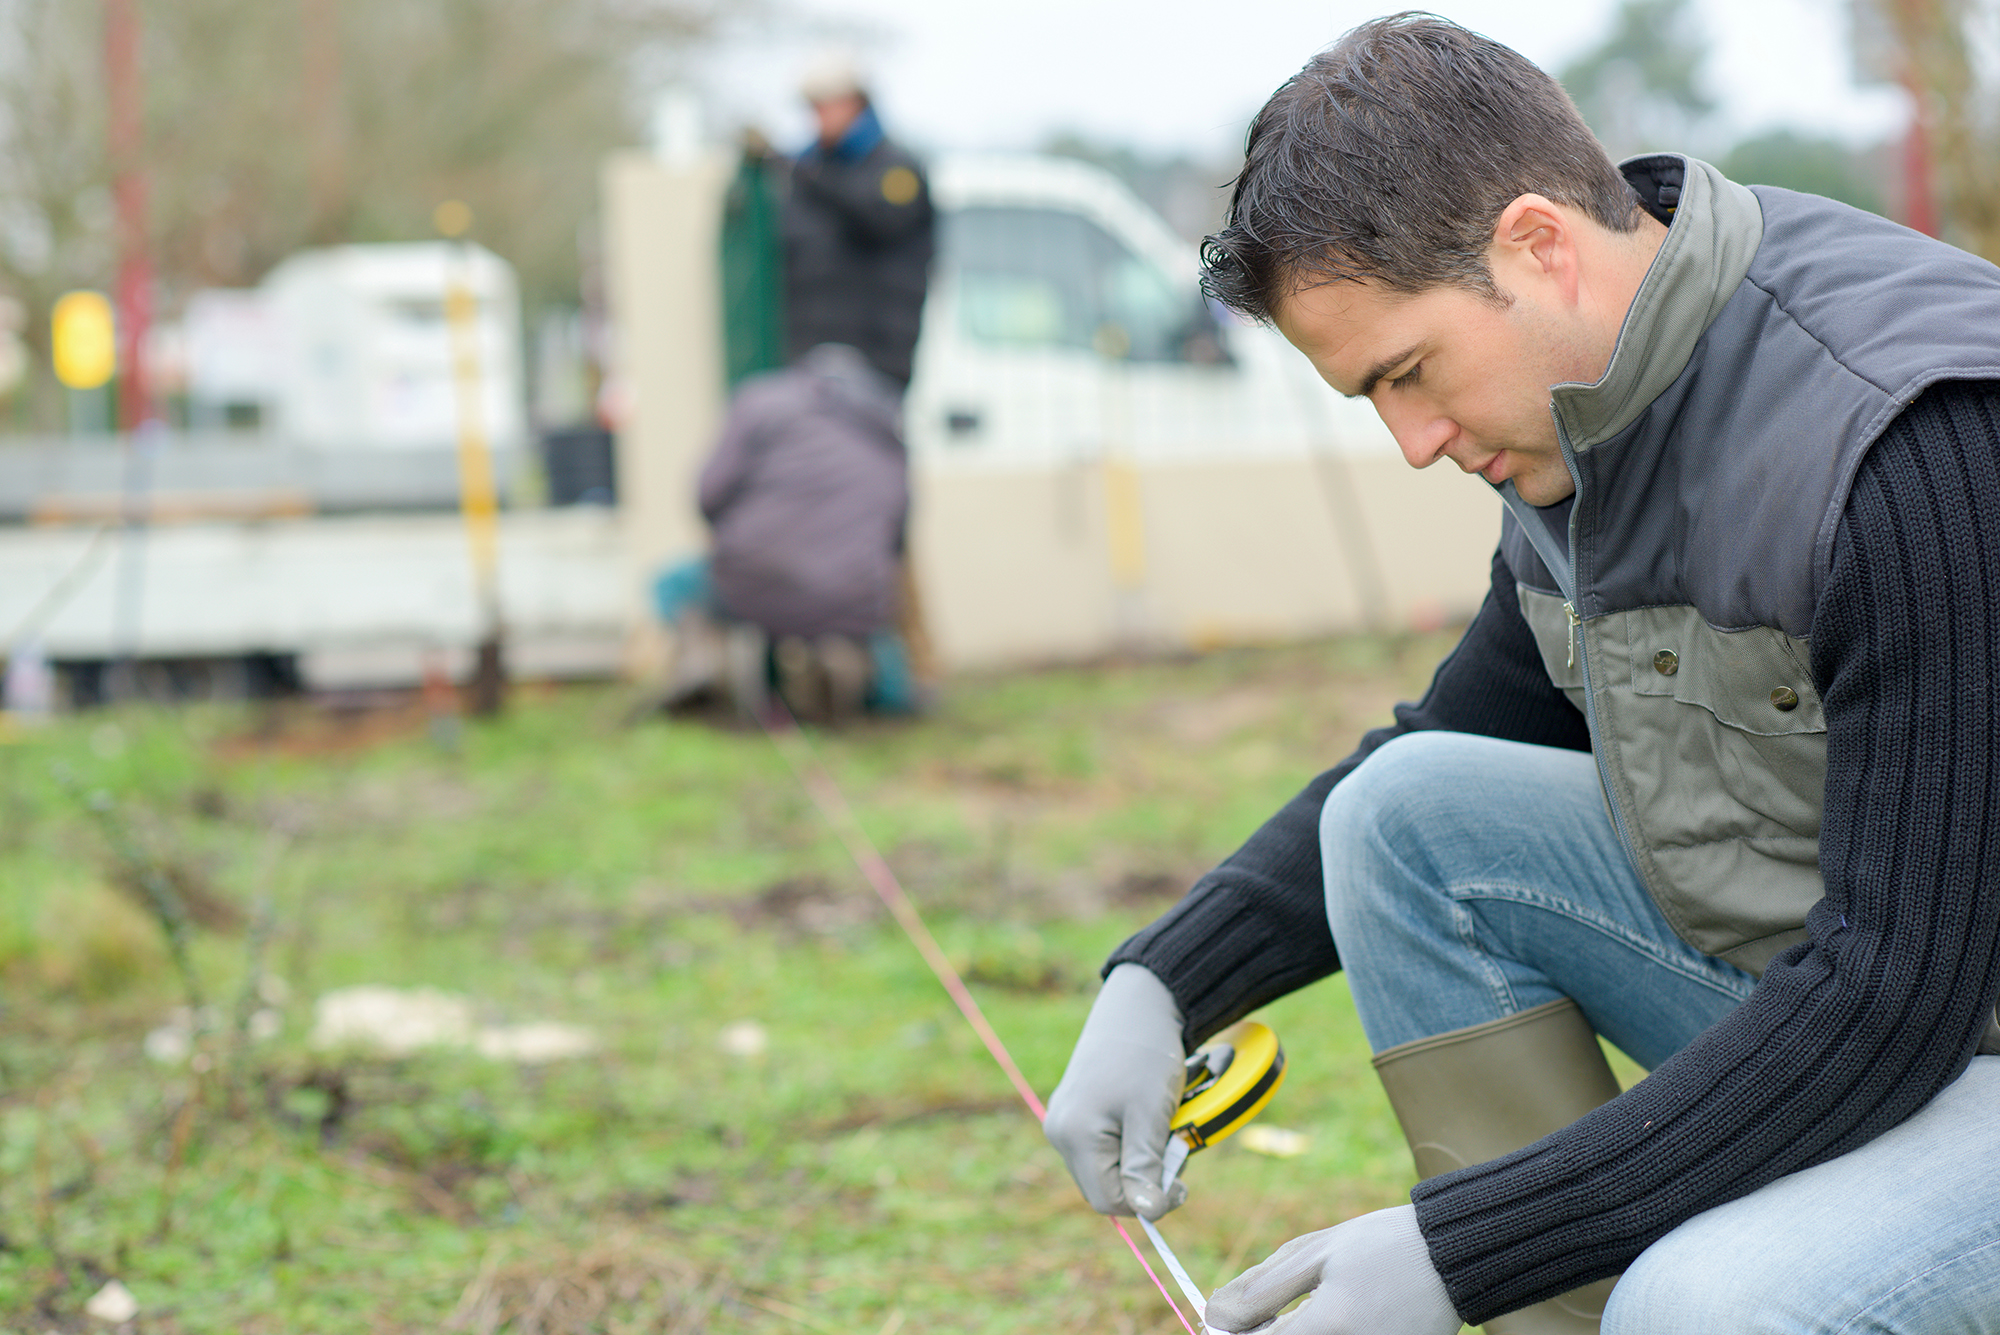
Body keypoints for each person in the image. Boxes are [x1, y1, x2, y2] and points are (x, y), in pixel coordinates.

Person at [1042, 15, 2000, 1335]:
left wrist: (1466, 1246)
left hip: (1928, 1012)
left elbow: (1893, 994)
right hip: (1908, 1011)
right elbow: (1451, 734)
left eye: (1411, 374)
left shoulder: (1911, 439)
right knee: (1409, 815)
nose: (1415, 442)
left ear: (1538, 244)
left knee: (1705, 1303)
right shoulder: (1599, 402)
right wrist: (1160, 982)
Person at [654, 343, 914, 724]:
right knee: (875, 631)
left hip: (754, 584)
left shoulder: (762, 400)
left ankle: (705, 660)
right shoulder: (887, 431)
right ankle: (873, 684)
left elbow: (706, 496)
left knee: (671, 585)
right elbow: (898, 537)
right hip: (854, 602)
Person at [783, 52, 935, 390]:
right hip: (808, 359)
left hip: (876, 363)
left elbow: (880, 221)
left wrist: (812, 179)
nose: (818, 117)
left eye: (826, 104)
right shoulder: (809, 171)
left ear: (856, 103)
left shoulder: (896, 170)